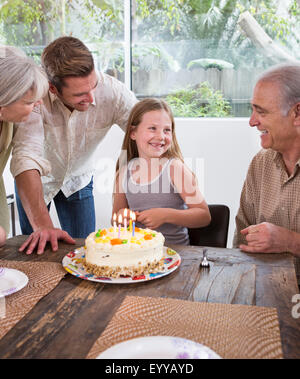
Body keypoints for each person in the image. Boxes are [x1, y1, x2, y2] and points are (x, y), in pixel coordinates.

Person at [11, 36, 137, 255]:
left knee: (85, 251)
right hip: (35, 181)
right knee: (38, 254)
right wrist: (43, 226)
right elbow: (25, 156)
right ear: (53, 88)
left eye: (93, 86)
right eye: (79, 95)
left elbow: (146, 128)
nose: (91, 97)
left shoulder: (113, 91)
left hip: (79, 179)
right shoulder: (34, 95)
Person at [233, 63, 300, 285]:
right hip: (263, 289)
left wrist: (291, 242)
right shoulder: (260, 164)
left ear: (297, 113)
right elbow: (241, 241)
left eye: (261, 112)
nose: (252, 121)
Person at [112, 98, 211, 245]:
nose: (161, 136)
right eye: (152, 128)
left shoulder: (175, 169)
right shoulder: (123, 173)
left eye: (167, 130)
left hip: (173, 254)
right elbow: (115, 219)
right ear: (133, 132)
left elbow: (203, 216)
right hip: (136, 253)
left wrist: (166, 215)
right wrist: (122, 216)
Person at [0, 45, 52, 247]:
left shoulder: (15, 118)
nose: (38, 103)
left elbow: (26, 156)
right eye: (30, 101)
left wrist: (42, 225)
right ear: (3, 103)